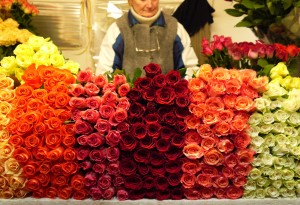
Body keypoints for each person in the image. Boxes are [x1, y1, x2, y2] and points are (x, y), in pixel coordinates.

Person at [96, 0, 199, 79]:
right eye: (143, 0)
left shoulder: (175, 28)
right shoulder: (117, 29)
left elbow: (190, 69)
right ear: (130, 1)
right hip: (129, 104)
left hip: (169, 105)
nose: (150, 5)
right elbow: (105, 72)